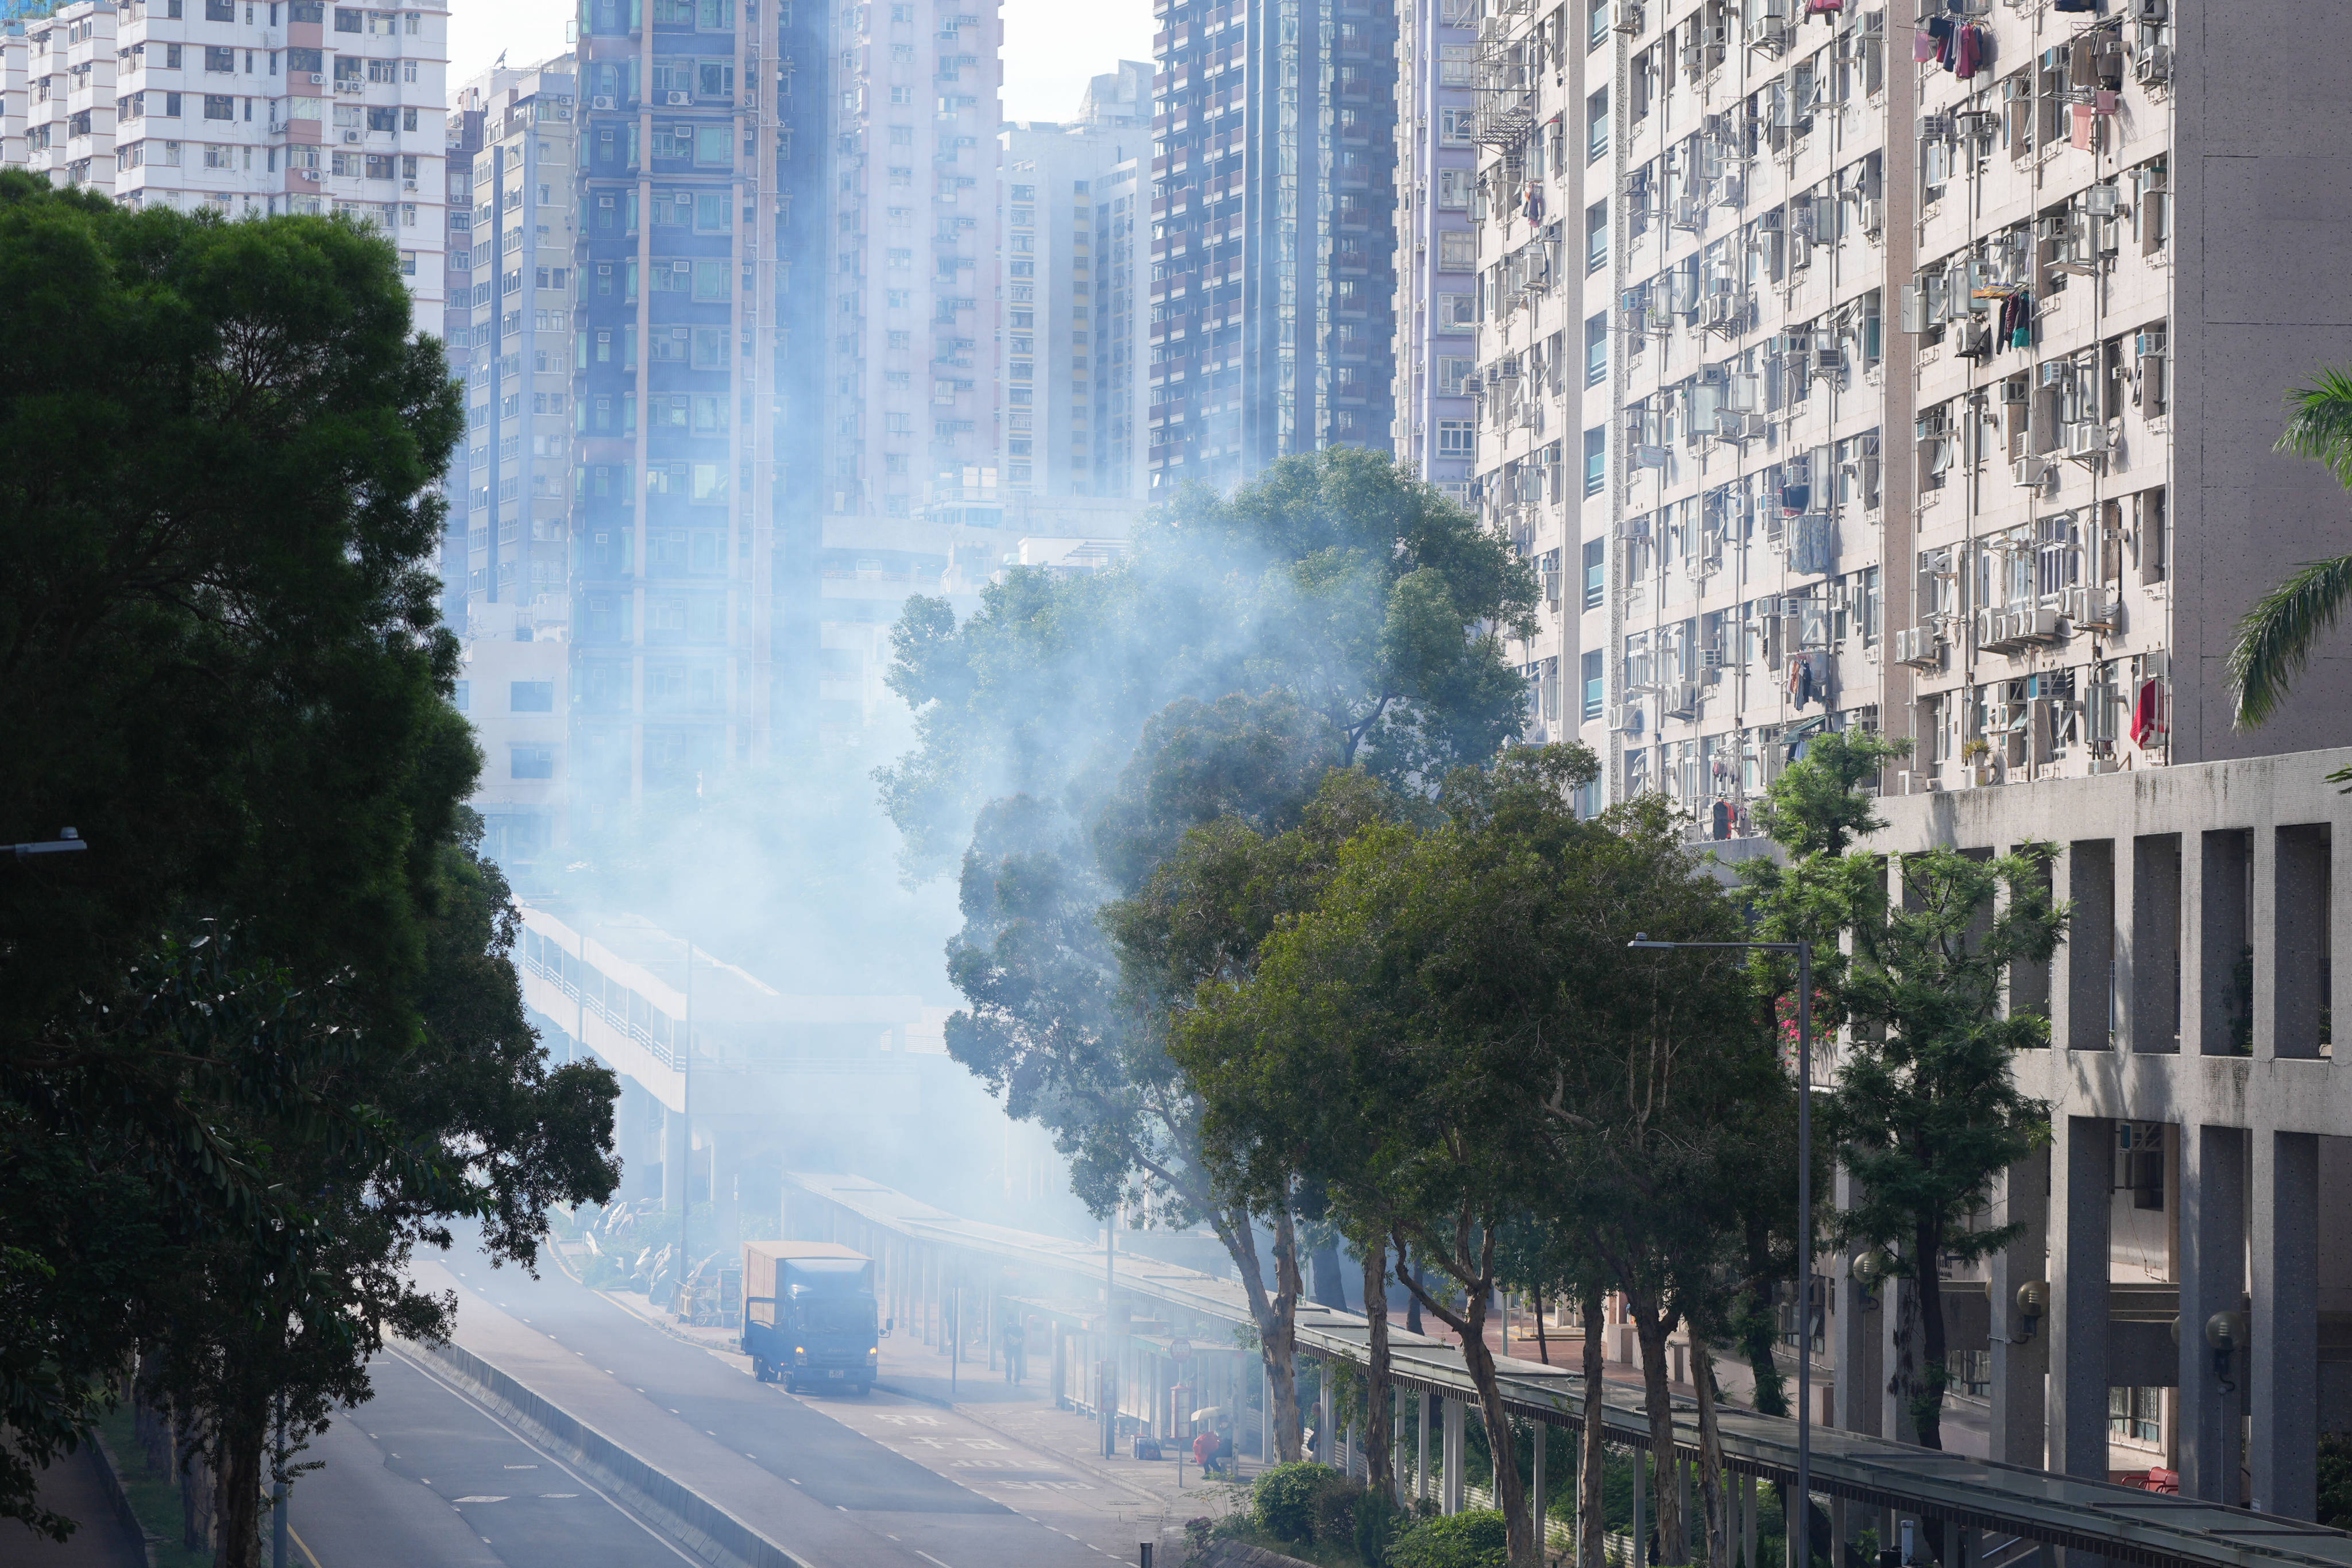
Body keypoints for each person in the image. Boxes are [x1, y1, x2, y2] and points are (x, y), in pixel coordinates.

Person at [1001, 1317, 1027, 1385]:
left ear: (1007, 1320)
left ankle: (1008, 1378)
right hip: (1018, 1348)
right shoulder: (1020, 1328)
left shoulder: (1006, 1328)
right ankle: (1017, 1381)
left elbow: (1004, 1340)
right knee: (1018, 1364)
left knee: (1008, 1363)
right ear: (1015, 1320)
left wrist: (1003, 1350)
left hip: (1008, 1348)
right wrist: (1022, 1347)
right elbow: (1023, 1339)